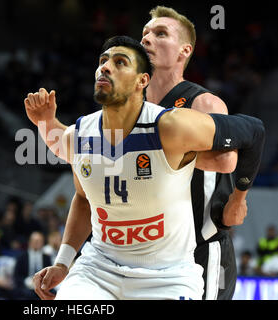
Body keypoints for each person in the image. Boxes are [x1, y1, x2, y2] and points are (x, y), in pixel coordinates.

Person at [25, 6, 247, 300]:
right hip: (119, 255)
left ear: (184, 50)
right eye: (144, 33)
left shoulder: (201, 103)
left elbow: (227, 159)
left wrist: (239, 197)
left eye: (160, 33)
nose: (147, 39)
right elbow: (79, 155)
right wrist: (48, 124)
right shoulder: (120, 107)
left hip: (196, 248)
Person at [14, 231, 52, 299]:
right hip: (26, 288)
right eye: (35, 241)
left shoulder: (46, 258)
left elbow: (50, 274)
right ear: (30, 242)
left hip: (43, 287)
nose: (37, 243)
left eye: (39, 241)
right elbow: (16, 275)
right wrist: (26, 281)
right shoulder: (22, 257)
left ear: (43, 243)